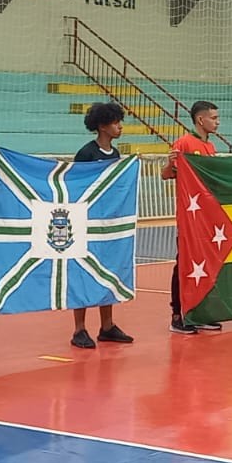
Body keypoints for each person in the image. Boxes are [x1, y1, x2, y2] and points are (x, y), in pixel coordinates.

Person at [71, 101, 135, 347]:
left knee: (107, 271)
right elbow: (76, 184)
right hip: (86, 221)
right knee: (83, 272)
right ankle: (79, 329)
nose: (120, 126)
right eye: (115, 122)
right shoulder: (87, 153)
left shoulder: (116, 154)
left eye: (120, 121)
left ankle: (107, 325)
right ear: (101, 125)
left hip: (109, 222)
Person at [162, 100, 225, 334]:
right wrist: (170, 164)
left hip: (208, 219)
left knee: (206, 263)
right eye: (214, 118)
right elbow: (166, 174)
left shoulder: (210, 147)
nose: (217, 122)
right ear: (201, 120)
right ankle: (177, 315)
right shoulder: (184, 143)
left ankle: (199, 312)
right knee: (184, 263)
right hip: (191, 217)